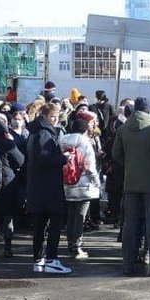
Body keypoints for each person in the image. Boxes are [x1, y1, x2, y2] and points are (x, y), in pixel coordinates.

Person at [111, 96, 150, 276]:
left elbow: (116, 154)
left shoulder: (123, 129)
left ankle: (127, 265)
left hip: (130, 182)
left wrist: (130, 165)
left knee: (130, 224)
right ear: (149, 110)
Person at [28, 102, 74, 274]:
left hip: (38, 187)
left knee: (40, 225)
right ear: (45, 116)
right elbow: (44, 158)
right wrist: (64, 158)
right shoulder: (44, 133)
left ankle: (38, 260)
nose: (55, 120)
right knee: (55, 222)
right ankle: (51, 260)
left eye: (56, 116)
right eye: (52, 117)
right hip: (48, 187)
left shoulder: (35, 131)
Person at [61, 111, 100, 260]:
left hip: (68, 183)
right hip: (84, 185)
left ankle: (69, 244)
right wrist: (96, 183)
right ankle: (77, 246)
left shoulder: (63, 140)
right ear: (85, 129)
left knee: (71, 215)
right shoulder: (85, 143)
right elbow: (90, 167)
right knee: (80, 216)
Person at [0, 111, 26, 257]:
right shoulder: (8, 143)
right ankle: (7, 247)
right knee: (8, 217)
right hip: (8, 183)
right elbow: (21, 160)